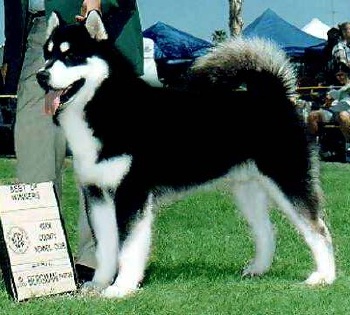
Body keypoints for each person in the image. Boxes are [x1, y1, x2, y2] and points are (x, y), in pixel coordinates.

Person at [3, 0, 144, 282]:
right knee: (34, 145)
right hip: (37, 31)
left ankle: (97, 258)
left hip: (92, 26)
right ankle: (39, 259)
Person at [307, 64, 350, 143]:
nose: (339, 77)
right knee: (312, 116)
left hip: (346, 112)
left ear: (347, 74)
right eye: (337, 75)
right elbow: (327, 103)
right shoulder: (332, 86)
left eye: (341, 75)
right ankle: (313, 147)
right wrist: (327, 101)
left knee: (342, 115)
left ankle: (348, 145)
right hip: (333, 112)